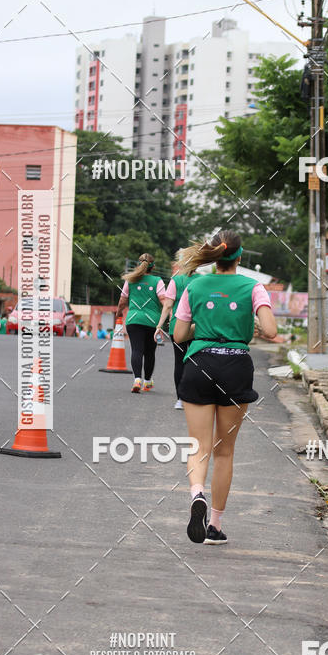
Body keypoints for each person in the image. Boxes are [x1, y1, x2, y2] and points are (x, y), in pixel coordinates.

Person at [173, 230, 277, 545]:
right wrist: (248, 323)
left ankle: (196, 495)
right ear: (240, 257)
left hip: (199, 365)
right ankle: (215, 526)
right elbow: (271, 330)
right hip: (235, 367)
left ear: (215, 256)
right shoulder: (253, 287)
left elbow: (178, 335)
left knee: (198, 447)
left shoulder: (195, 285)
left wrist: (204, 323)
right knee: (224, 451)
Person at [116, 252, 166, 393]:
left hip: (133, 320)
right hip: (153, 322)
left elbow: (122, 301)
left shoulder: (130, 280)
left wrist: (119, 313)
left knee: (136, 350)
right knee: (150, 353)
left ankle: (137, 379)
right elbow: (164, 301)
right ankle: (147, 381)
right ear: (153, 266)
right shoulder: (158, 281)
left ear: (138, 264)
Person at [154, 260, 195, 410]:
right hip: (199, 326)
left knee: (180, 361)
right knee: (196, 361)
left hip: (178, 325)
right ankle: (194, 397)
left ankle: (180, 399)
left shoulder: (176, 280)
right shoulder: (203, 281)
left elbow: (168, 305)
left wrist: (159, 325)